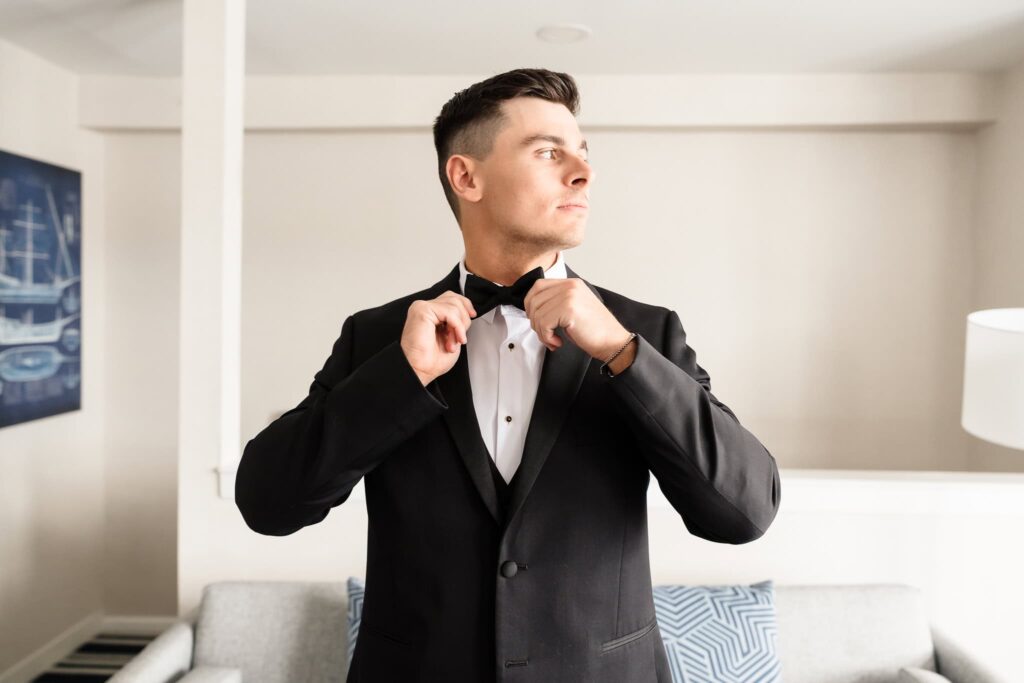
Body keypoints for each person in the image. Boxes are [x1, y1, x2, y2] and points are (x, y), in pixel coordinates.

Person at [235, 67, 781, 683]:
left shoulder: (644, 334)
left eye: (582, 153)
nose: (582, 172)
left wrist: (622, 355)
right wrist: (402, 374)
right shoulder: (378, 337)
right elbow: (267, 504)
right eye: (548, 152)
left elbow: (744, 512)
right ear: (465, 176)